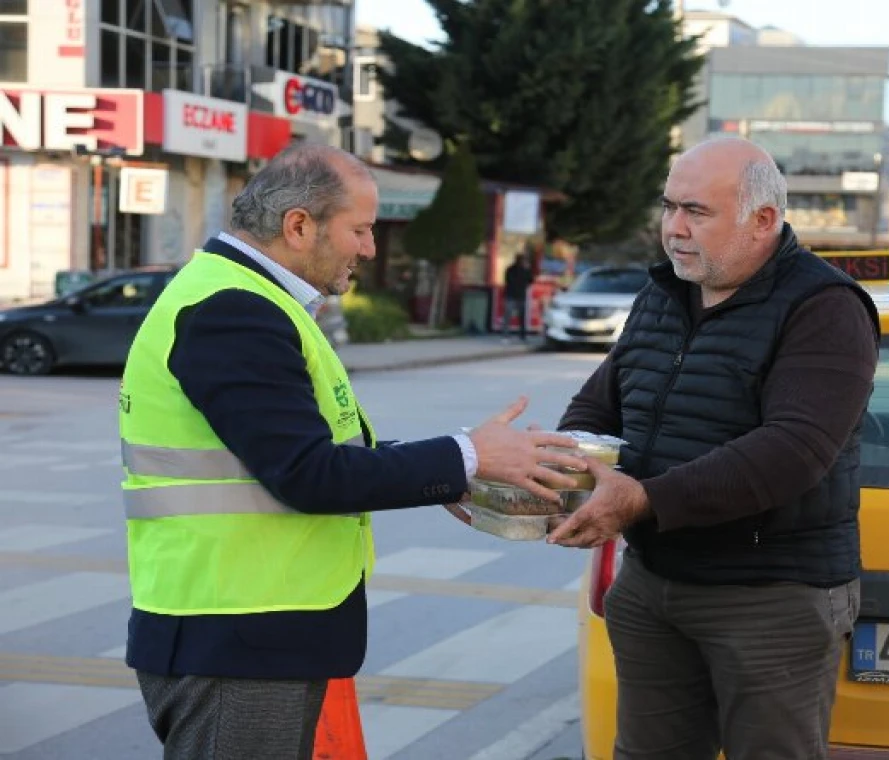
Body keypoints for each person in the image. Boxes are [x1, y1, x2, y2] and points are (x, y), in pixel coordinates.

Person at [118, 143, 585, 759]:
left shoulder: (251, 299)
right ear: (299, 225)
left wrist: (460, 467)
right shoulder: (232, 311)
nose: (369, 247)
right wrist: (464, 455)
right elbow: (309, 475)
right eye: (360, 229)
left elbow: (307, 454)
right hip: (236, 635)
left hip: (254, 628)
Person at [547, 136, 881, 759]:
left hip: (770, 596)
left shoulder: (824, 307)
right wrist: (559, 474)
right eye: (669, 207)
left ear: (763, 219)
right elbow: (599, 406)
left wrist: (643, 500)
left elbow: (792, 451)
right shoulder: (663, 294)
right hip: (654, 583)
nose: (674, 229)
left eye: (696, 212)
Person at [502, 251, 534, 341]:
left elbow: (530, 280)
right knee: (518, 316)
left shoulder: (511, 269)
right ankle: (520, 335)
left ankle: (508, 335)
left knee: (511, 316)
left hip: (513, 295)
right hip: (516, 295)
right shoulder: (515, 270)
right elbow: (530, 281)